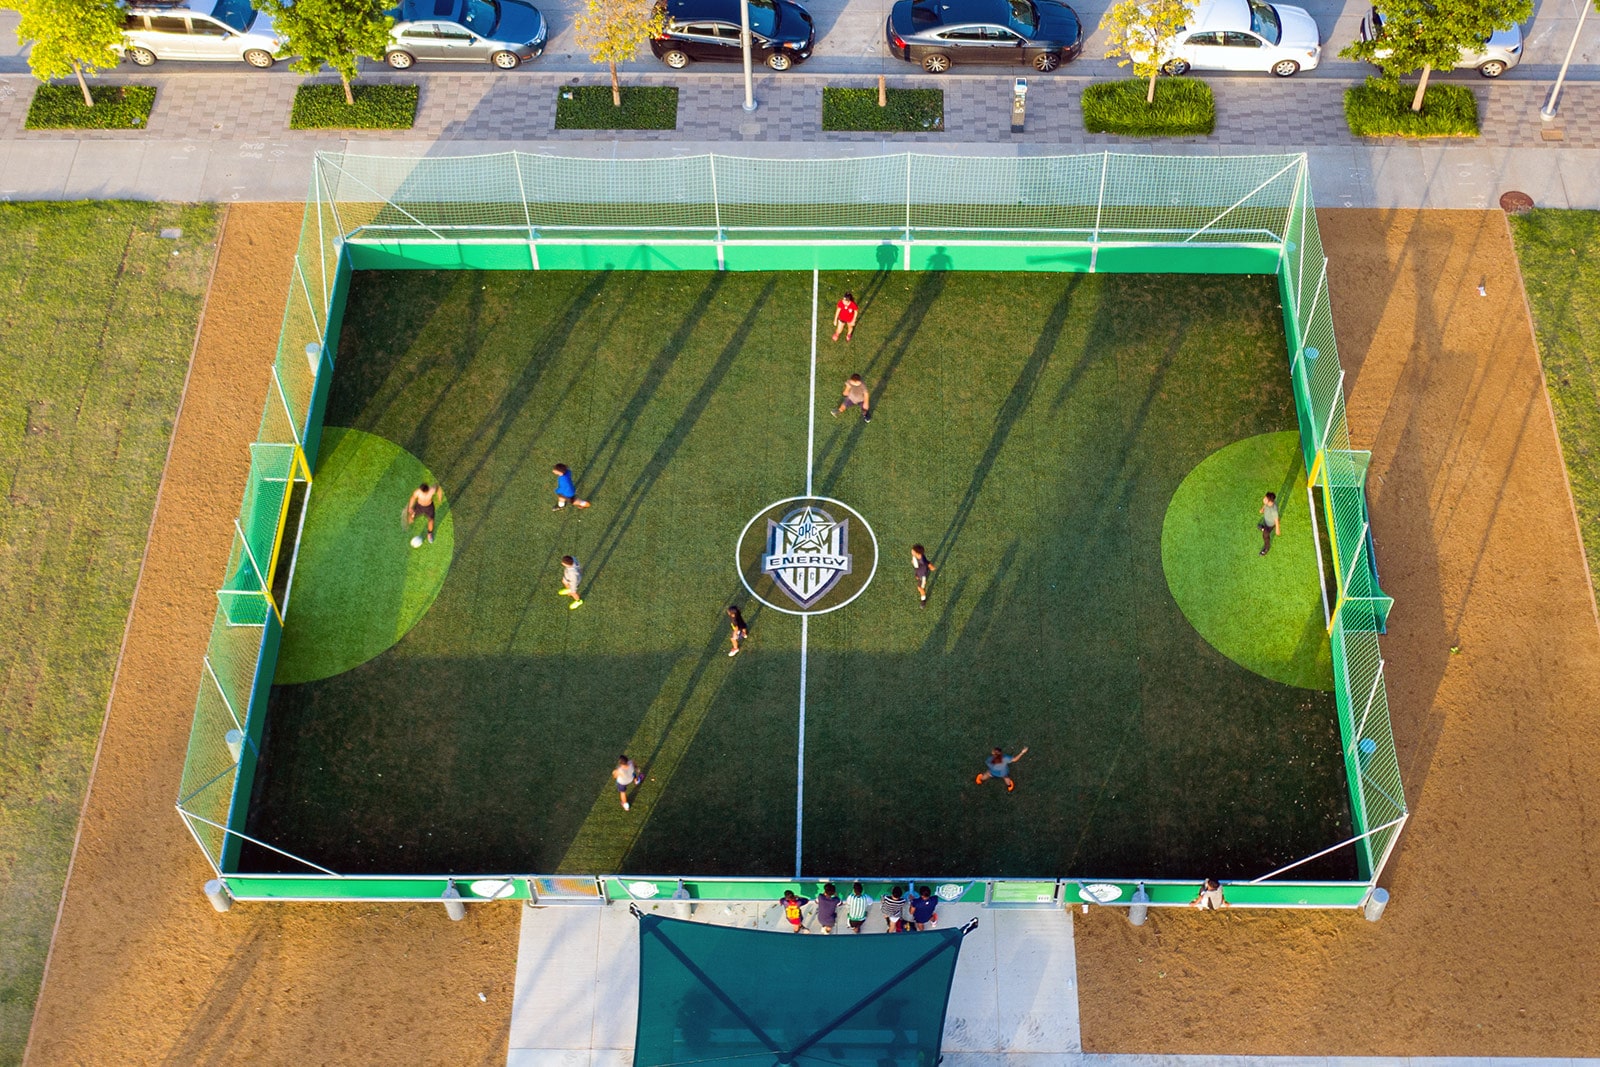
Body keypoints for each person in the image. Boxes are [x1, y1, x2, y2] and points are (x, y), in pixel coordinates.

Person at [1258, 491, 1280, 556]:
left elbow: (1276, 520)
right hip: (1266, 520)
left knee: (1265, 536)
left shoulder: (1273, 510)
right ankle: (1263, 528)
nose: (1263, 499)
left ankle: (1266, 548)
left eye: (1265, 498)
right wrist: (1262, 509)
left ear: (1270, 501)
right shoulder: (1268, 504)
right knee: (1263, 526)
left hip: (1270, 525)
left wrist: (1277, 529)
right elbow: (1265, 505)